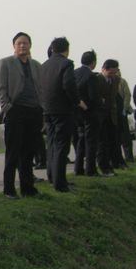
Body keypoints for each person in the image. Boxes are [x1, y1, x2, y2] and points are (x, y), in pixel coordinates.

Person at [0, 32, 43, 199]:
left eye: (25, 43)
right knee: (13, 152)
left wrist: (41, 107)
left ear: (30, 45)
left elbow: (41, 88)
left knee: (28, 153)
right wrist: (7, 107)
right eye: (19, 43)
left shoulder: (36, 65)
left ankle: (28, 188)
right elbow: (0, 88)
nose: (22, 46)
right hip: (15, 111)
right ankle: (9, 189)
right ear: (14, 46)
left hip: (33, 111)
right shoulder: (5, 63)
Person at [39, 37, 85, 192]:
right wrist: (77, 101)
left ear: (52, 49)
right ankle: (60, 183)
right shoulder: (66, 64)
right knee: (61, 146)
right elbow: (69, 85)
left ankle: (52, 177)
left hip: (47, 109)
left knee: (51, 144)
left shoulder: (44, 65)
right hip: (63, 110)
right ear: (67, 49)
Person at [73, 50, 101, 176]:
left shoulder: (74, 73)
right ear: (93, 62)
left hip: (77, 112)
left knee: (81, 140)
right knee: (91, 142)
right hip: (89, 112)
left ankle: (78, 168)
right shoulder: (91, 76)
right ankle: (91, 169)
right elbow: (93, 96)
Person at [96, 59, 121, 176]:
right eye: (111, 72)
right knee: (102, 143)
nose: (112, 75)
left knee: (112, 142)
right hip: (100, 115)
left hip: (111, 115)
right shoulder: (97, 79)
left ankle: (112, 165)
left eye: (115, 72)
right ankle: (103, 167)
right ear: (104, 69)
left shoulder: (116, 79)